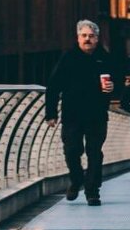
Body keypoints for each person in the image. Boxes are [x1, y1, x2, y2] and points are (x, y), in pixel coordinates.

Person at [43, 20, 118, 205]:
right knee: (71, 150)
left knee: (94, 153)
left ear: (97, 38)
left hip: (97, 114)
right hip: (72, 115)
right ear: (78, 38)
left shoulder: (105, 58)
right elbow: (53, 86)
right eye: (84, 36)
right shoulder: (68, 58)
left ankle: (92, 191)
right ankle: (76, 179)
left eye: (91, 36)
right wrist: (51, 113)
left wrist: (113, 87)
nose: (87, 39)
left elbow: (118, 80)